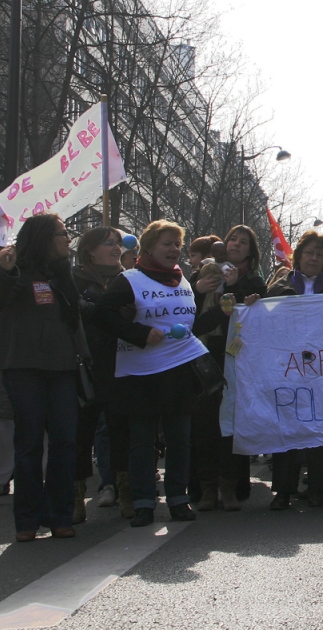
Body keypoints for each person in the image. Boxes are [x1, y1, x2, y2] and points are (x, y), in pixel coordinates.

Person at [95, 220, 216, 527]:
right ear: (148, 247)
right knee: (142, 441)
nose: (174, 249)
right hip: (142, 373)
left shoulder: (184, 282)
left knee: (180, 439)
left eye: (177, 244)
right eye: (167, 243)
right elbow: (101, 314)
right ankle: (144, 502)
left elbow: (189, 326)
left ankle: (178, 498)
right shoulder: (130, 280)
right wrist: (138, 332)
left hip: (178, 371)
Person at [0, 213, 81, 542]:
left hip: (63, 367)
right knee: (29, 443)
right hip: (23, 367)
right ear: (42, 238)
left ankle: (60, 515)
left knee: (65, 441)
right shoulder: (13, 270)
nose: (68, 239)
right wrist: (6, 272)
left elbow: (75, 314)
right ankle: (26, 520)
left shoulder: (63, 272)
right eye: (62, 234)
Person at [264, 231, 323, 510]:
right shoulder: (279, 288)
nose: (313, 258)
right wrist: (251, 309)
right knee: (286, 429)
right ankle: (283, 490)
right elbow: (264, 322)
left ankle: (318, 488)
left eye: (319, 254)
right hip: (288, 370)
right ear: (298, 256)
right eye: (309, 252)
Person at [190, 225, 266, 511]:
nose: (236, 244)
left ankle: (230, 486)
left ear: (250, 251)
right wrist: (199, 289)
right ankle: (207, 487)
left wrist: (235, 287)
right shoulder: (203, 274)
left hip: (238, 359)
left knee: (231, 425)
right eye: (233, 239)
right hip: (204, 358)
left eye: (243, 242)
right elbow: (191, 319)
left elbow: (254, 318)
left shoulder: (254, 282)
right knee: (205, 424)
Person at [72, 226, 133, 519]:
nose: (115, 248)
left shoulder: (130, 280)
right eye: (108, 243)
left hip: (122, 366)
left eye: (117, 243)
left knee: (121, 432)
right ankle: (75, 496)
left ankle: (125, 493)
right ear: (90, 251)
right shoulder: (74, 280)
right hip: (86, 365)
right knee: (81, 434)